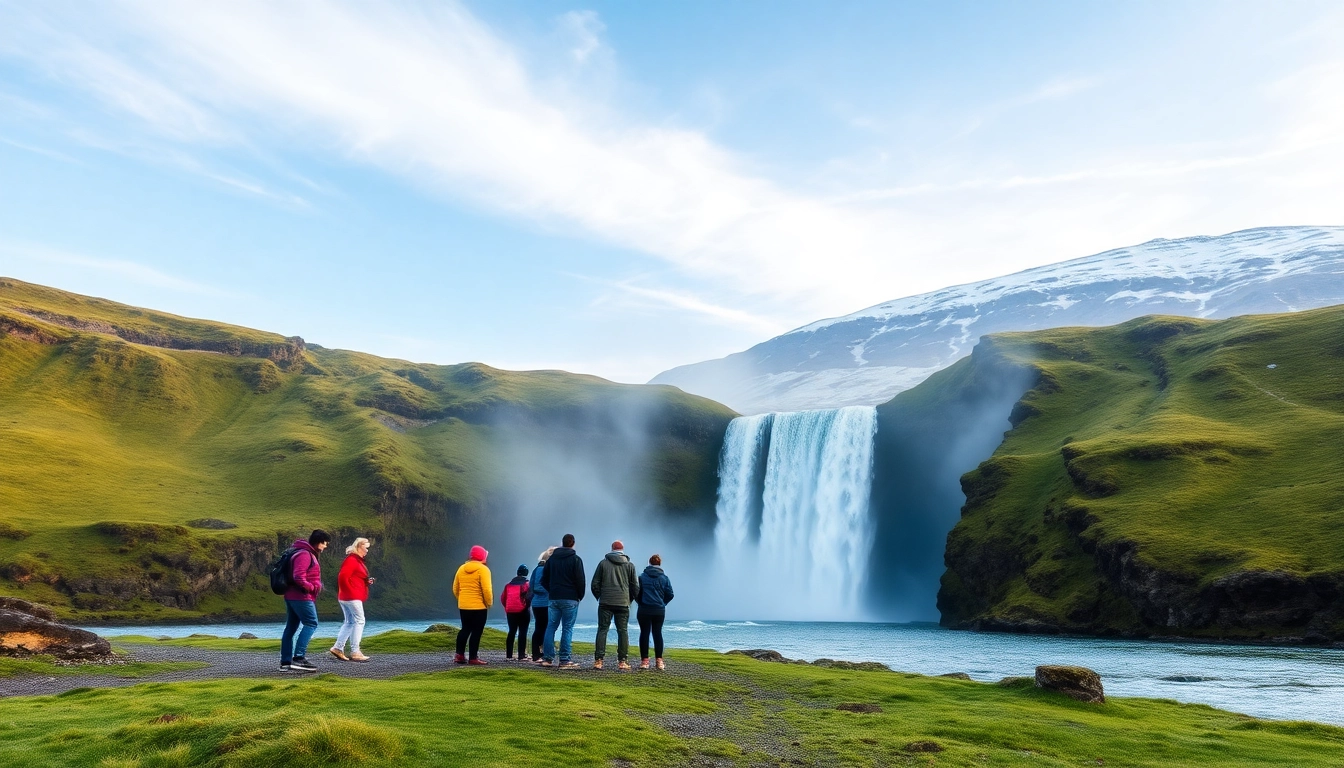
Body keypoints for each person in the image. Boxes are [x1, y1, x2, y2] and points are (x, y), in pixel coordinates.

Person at [280, 529, 330, 673]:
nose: (325, 546)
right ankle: (299, 658)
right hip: (301, 596)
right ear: (318, 542)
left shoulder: (302, 552)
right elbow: (299, 577)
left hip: (292, 596)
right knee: (311, 623)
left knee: (291, 628)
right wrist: (312, 587)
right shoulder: (304, 554)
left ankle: (285, 662)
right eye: (325, 543)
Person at [591, 540, 639, 670]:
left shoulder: (603, 564)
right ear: (623, 550)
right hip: (622, 603)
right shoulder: (630, 565)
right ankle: (622, 661)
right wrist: (628, 599)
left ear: (612, 549)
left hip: (605, 602)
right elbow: (635, 586)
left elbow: (595, 583)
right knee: (622, 631)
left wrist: (600, 596)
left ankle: (599, 661)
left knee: (602, 630)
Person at [540, 533, 584, 669]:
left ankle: (547, 658)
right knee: (567, 628)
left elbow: (543, 579)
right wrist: (579, 596)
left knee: (551, 627)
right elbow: (580, 580)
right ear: (573, 543)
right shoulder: (576, 560)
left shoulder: (552, 560)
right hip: (570, 598)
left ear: (563, 543)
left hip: (554, 597)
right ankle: (564, 660)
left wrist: (551, 590)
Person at [330, 537, 376, 663]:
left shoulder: (356, 560)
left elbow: (354, 576)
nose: (367, 550)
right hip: (351, 596)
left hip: (346, 596)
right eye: (366, 547)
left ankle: (338, 648)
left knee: (350, 622)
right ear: (359, 546)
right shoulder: (352, 560)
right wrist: (350, 591)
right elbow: (342, 577)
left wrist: (366, 581)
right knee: (360, 621)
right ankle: (355, 651)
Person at [452, 545, 492, 665]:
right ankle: (473, 658)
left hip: (464, 606)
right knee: (477, 631)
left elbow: (455, 588)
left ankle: (459, 655)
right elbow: (487, 590)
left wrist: (462, 599)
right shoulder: (484, 570)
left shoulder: (461, 568)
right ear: (482, 556)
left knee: (465, 629)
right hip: (479, 606)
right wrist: (488, 603)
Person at [637, 553, 675, 670]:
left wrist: (641, 602)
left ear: (649, 563)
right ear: (659, 564)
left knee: (644, 633)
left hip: (644, 609)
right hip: (659, 610)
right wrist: (663, 603)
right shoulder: (664, 578)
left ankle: (645, 661)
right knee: (657, 634)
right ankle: (659, 661)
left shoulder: (642, 577)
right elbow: (670, 594)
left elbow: (636, 593)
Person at [529, 547, 555, 662]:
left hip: (536, 603)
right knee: (546, 628)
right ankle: (543, 652)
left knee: (538, 627)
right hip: (546, 602)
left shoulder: (536, 569)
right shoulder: (547, 570)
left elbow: (531, 586)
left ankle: (536, 653)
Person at [502, 564, 532, 660]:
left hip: (510, 611)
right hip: (523, 611)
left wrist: (508, 607)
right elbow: (530, 597)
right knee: (522, 632)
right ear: (526, 573)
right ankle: (521, 655)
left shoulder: (508, 585)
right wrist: (527, 606)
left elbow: (503, 598)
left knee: (512, 631)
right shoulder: (527, 584)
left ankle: (509, 655)